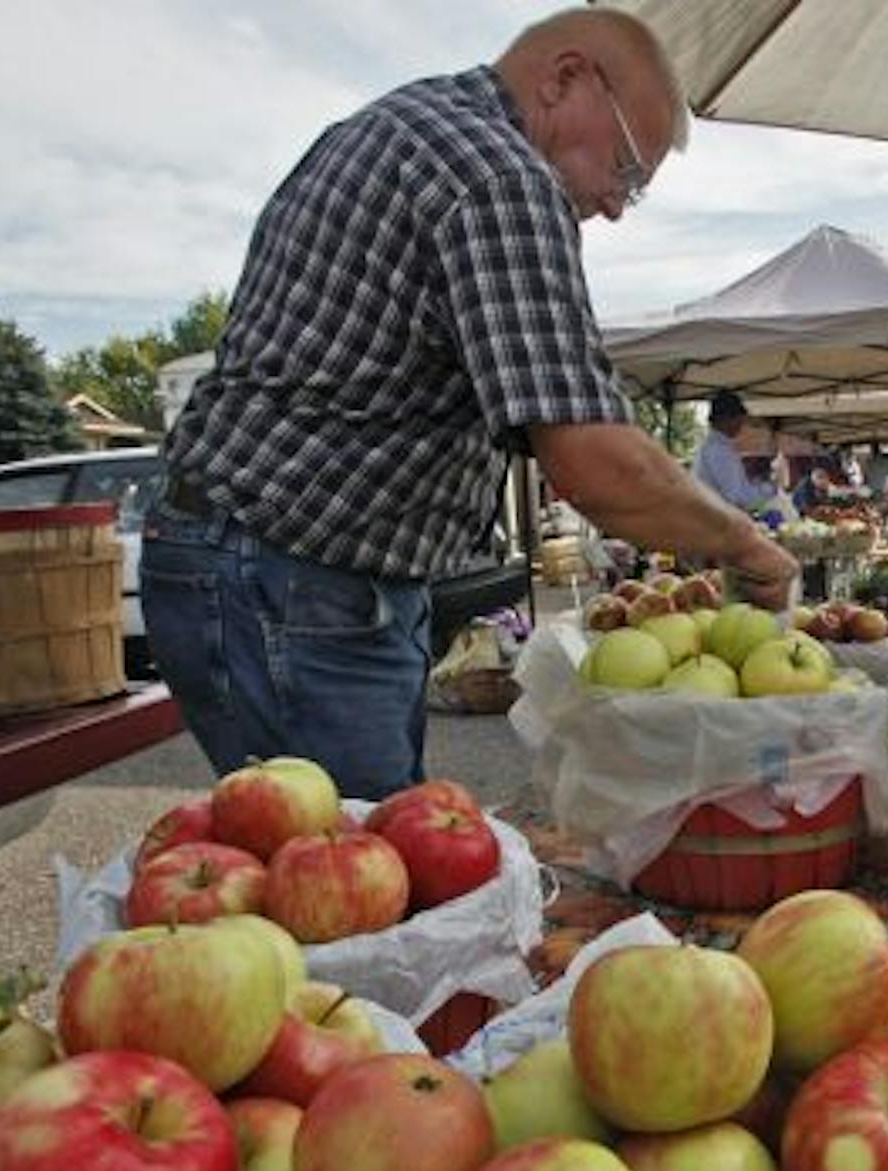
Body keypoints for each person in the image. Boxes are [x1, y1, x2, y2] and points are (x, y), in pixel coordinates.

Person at [140, 9, 796, 800]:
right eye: (625, 170)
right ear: (564, 79)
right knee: (356, 880)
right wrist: (744, 543)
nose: (617, 205)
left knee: (352, 856)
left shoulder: (396, 125)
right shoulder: (500, 178)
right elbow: (593, 462)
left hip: (259, 558)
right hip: (292, 577)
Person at [693, 389, 776, 512]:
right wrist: (768, 489)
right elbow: (738, 498)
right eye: (739, 419)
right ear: (726, 418)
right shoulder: (718, 450)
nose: (741, 425)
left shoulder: (714, 447)